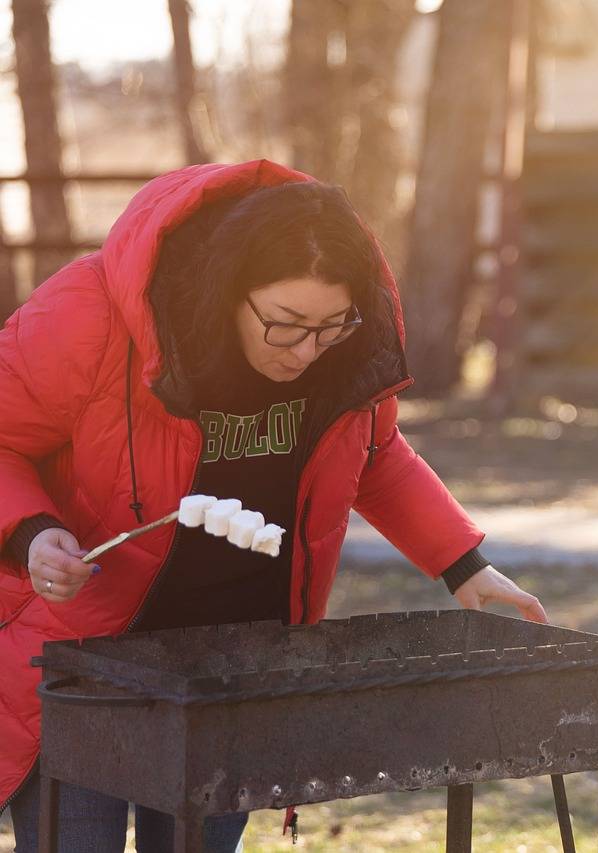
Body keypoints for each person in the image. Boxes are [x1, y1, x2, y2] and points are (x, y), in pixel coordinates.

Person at [0, 160, 546, 852]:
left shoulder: (343, 359)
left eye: (331, 325)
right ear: (229, 291)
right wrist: (33, 534)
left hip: (231, 667)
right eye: (285, 324)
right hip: (82, 665)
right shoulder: (91, 317)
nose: (307, 351)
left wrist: (464, 563)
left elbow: (376, 455)